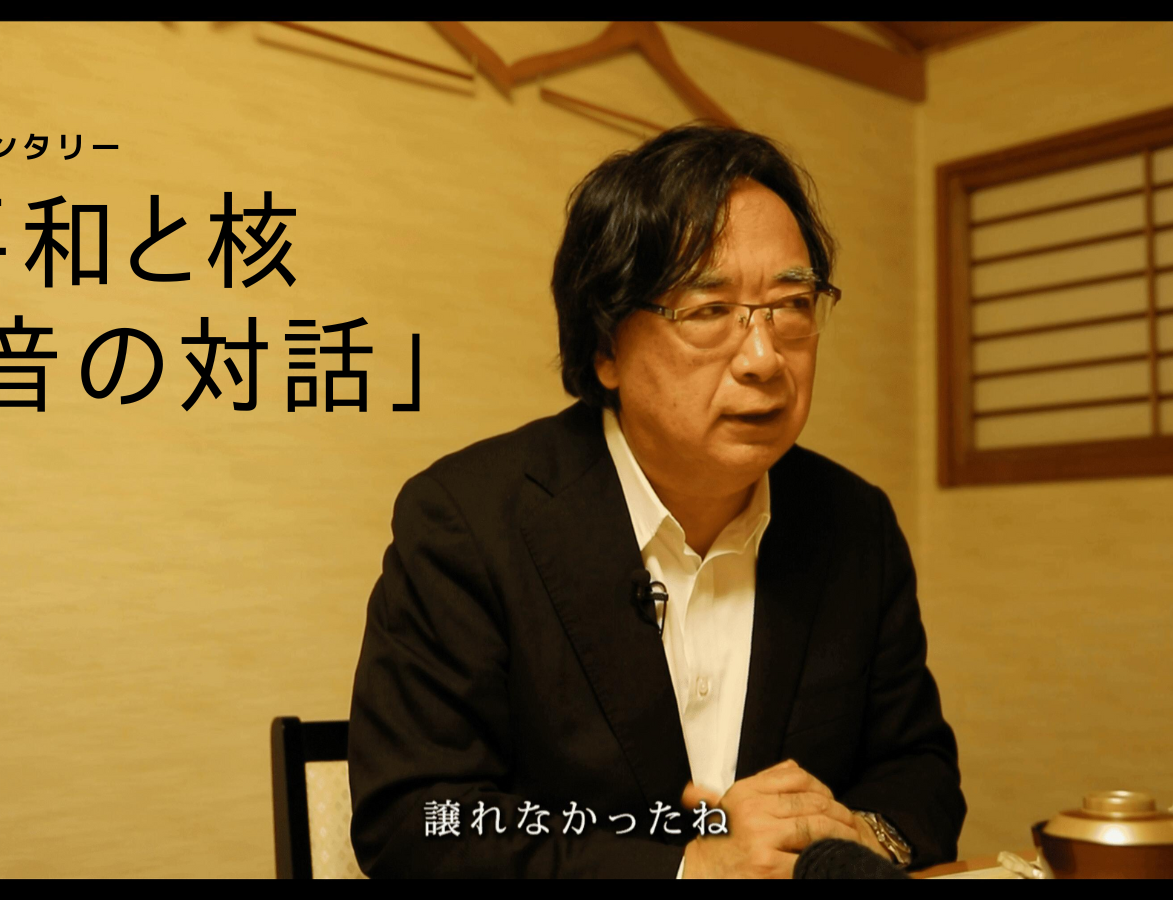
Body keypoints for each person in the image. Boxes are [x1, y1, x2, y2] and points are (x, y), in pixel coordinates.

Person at [347, 125, 964, 878]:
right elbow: (414, 822)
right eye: (708, 311)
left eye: (793, 304)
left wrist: (858, 840)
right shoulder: (470, 521)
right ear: (606, 346)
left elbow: (919, 772)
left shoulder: (854, 524)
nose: (765, 358)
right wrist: (691, 870)